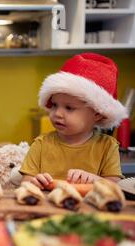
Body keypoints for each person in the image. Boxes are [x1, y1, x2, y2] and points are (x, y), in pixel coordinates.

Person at [20, 53, 127, 189]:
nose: (57, 113)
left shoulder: (107, 147)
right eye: (54, 105)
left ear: (97, 114)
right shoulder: (40, 145)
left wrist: (94, 179)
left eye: (69, 108)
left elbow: (115, 187)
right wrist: (34, 182)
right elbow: (25, 184)